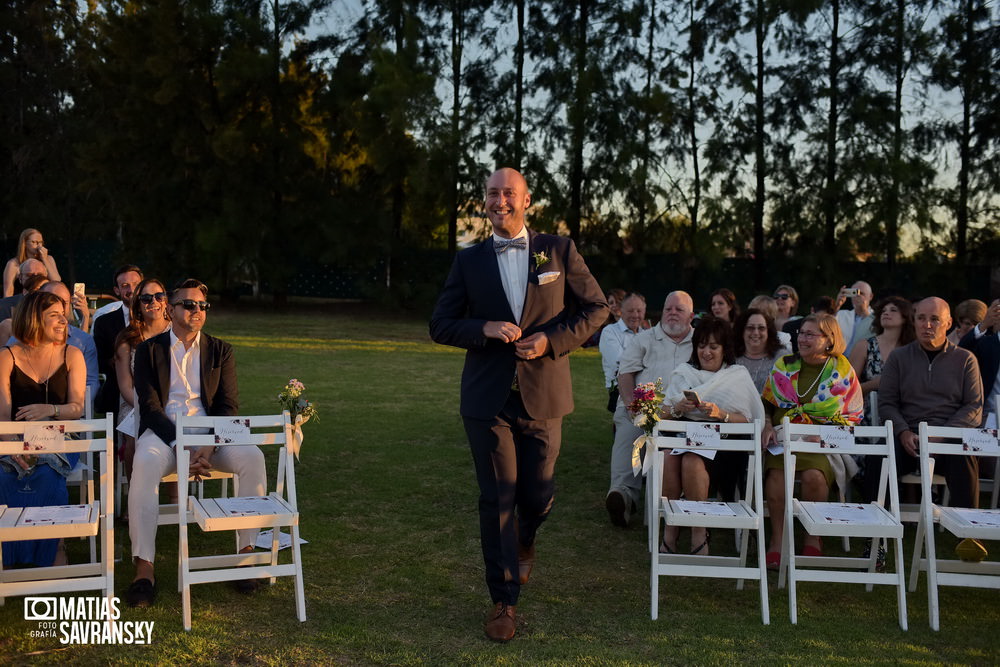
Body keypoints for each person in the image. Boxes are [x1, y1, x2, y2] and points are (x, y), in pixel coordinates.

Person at [428, 168, 607, 642]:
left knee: (537, 497)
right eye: (492, 193)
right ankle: (503, 600)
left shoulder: (559, 250)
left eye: (509, 193)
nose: (499, 200)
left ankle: (528, 536)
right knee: (498, 498)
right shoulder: (468, 262)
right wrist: (482, 328)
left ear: (527, 201)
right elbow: (441, 324)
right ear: (484, 202)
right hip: (487, 402)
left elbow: (596, 309)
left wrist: (550, 340)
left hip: (544, 397)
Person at [127, 279, 267, 608]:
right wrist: (181, 444)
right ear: (170, 309)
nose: (197, 310)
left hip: (211, 433)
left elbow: (228, 407)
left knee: (253, 457)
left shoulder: (221, 350)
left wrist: (209, 444)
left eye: (203, 305)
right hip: (164, 435)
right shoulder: (147, 351)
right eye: (189, 305)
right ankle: (144, 567)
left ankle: (245, 555)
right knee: (144, 463)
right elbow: (149, 409)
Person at [878, 297, 984, 560]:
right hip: (908, 436)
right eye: (921, 318)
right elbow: (887, 403)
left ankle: (970, 536)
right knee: (881, 459)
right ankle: (875, 536)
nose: (928, 324)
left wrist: (942, 435)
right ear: (913, 322)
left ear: (948, 323)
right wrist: (903, 432)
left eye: (935, 319)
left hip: (947, 437)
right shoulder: (899, 358)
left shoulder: (965, 359)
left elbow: (974, 407)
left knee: (965, 459)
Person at [760, 313, 863, 569]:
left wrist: (825, 434)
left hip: (820, 440)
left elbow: (852, 414)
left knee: (814, 477)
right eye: (801, 334)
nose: (802, 339)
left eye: (809, 334)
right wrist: (767, 424)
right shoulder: (784, 364)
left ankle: (812, 536)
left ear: (829, 340)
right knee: (777, 477)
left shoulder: (841, 370)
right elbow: (766, 403)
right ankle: (778, 539)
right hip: (783, 437)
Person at [659, 318, 764, 555]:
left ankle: (699, 531)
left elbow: (750, 419)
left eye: (713, 347)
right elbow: (662, 414)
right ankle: (670, 531)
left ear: (724, 349)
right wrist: (679, 408)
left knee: (692, 461)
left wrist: (721, 413)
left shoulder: (737, 375)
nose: (706, 352)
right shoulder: (684, 373)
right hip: (684, 438)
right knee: (667, 458)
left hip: (724, 448)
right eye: (702, 346)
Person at [0, 290, 86, 567]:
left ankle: (54, 547)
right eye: (54, 316)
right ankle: (12, 555)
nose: (64, 321)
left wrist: (51, 410)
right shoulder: (7, 356)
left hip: (60, 437)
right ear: (34, 319)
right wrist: (15, 447)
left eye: (64, 315)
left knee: (47, 474)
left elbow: (77, 409)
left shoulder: (72, 354)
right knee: (8, 475)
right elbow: (2, 417)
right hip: (14, 439)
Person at [606, 291, 695, 528]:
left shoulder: (700, 341)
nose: (672, 313)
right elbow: (625, 374)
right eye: (668, 309)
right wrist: (632, 405)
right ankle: (622, 497)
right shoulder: (644, 339)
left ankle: (677, 500)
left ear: (691, 316)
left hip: (684, 413)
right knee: (631, 435)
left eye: (679, 309)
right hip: (641, 405)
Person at [114, 278, 172, 487]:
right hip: (134, 403)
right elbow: (125, 385)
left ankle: (175, 498)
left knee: (174, 430)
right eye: (146, 298)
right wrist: (147, 407)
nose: (153, 302)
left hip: (172, 400)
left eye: (159, 296)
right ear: (138, 305)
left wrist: (164, 406)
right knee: (133, 436)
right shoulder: (126, 338)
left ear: (166, 301)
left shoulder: (177, 333)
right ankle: (135, 493)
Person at [91, 265, 143, 418]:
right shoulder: (104, 322)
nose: (131, 289)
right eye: (125, 286)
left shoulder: (157, 318)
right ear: (116, 290)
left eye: (136, 284)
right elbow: (99, 360)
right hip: (117, 390)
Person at [599, 292, 645, 413]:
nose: (635, 315)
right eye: (630, 311)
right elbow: (621, 364)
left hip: (645, 391)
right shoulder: (610, 332)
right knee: (624, 429)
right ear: (622, 311)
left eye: (639, 311)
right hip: (620, 392)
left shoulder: (646, 334)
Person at [959, 298, 1000, 423]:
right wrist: (984, 324)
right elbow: (961, 353)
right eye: (995, 311)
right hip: (989, 418)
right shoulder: (986, 344)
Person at [733, 308, 783, 392]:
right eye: (750, 328)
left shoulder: (782, 357)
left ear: (768, 331)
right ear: (742, 331)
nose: (756, 332)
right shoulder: (731, 357)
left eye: (761, 328)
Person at [3, 229, 61, 298]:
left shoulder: (48, 259)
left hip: (44, 301)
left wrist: (45, 259)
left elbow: (56, 282)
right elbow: (8, 292)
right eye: (34, 242)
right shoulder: (13, 264)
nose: (39, 246)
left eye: (40, 242)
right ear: (25, 243)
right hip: (23, 303)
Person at [833, 281, 875, 352]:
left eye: (861, 293)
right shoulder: (841, 314)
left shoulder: (877, 317)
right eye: (854, 293)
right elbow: (827, 326)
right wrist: (837, 306)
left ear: (870, 296)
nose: (857, 296)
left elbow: (875, 331)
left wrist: (864, 311)